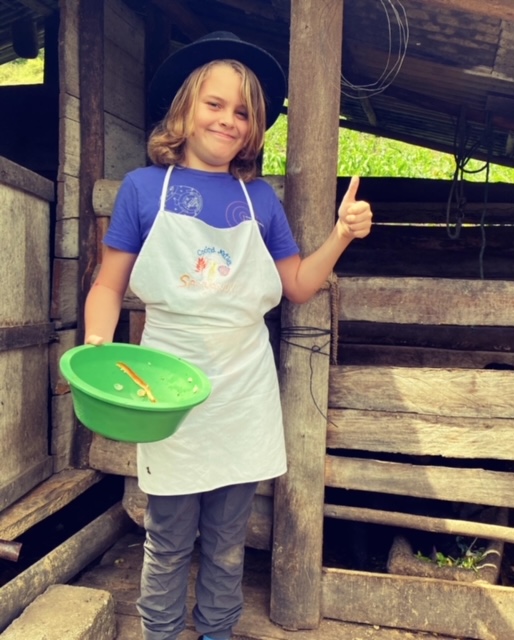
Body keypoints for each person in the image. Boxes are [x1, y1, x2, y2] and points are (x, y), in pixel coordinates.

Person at [84, 31, 372, 640]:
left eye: (242, 112)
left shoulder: (259, 199)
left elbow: (298, 285)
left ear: (254, 128)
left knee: (225, 541)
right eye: (214, 104)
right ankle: (161, 633)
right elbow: (108, 285)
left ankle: (217, 631)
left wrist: (341, 235)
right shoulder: (143, 189)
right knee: (167, 539)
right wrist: (98, 349)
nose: (228, 120)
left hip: (243, 389)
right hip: (166, 389)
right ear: (184, 110)